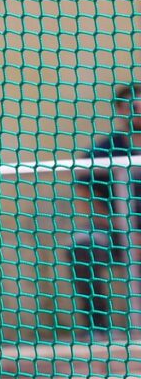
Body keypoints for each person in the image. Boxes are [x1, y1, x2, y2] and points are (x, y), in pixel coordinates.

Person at [69, 82, 141, 339]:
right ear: (120, 111)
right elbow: (83, 192)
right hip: (114, 232)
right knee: (82, 247)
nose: (137, 111)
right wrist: (117, 226)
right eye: (131, 106)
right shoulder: (104, 149)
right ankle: (97, 331)